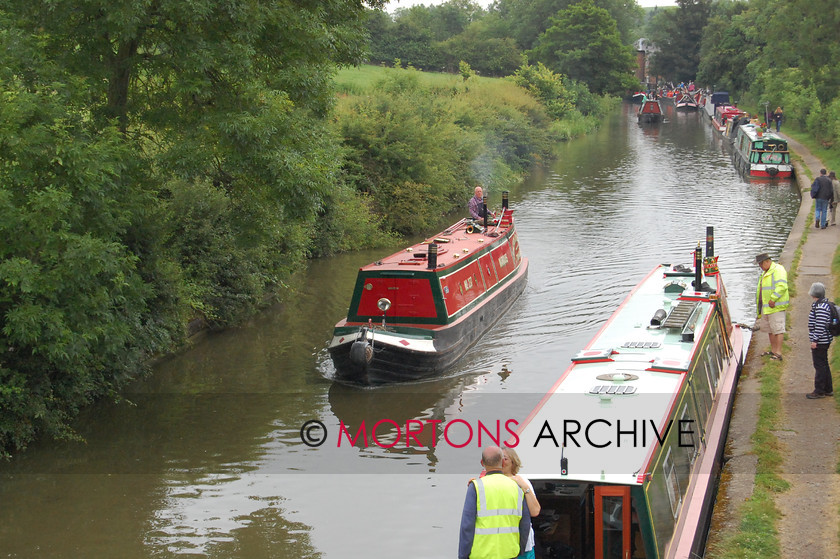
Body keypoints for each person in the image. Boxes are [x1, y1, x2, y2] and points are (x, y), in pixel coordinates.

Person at [459, 446, 530, 559]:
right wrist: (519, 550)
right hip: (509, 554)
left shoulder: (476, 487)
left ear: (482, 463)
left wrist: (463, 555)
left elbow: (467, 526)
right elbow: (525, 524)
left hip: (481, 555)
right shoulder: (516, 487)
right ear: (502, 462)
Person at [502, 448, 539, 559]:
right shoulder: (488, 482)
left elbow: (535, 511)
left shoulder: (522, 481)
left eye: (505, 458)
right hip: (500, 545)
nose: (501, 461)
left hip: (522, 545)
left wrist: (524, 486)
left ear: (513, 461)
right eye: (498, 458)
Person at [755, 253, 789, 360]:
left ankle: (778, 353)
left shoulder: (777, 270)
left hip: (775, 307)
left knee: (778, 329)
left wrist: (773, 298)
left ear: (767, 261)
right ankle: (774, 351)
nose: (760, 267)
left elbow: (782, 286)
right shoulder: (766, 272)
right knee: (770, 330)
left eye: (760, 264)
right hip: (767, 307)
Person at [807, 282, 834, 399]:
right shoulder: (823, 305)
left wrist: (815, 340)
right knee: (824, 364)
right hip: (824, 340)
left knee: (819, 365)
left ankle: (819, 390)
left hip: (821, 341)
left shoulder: (821, 307)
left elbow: (820, 325)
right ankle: (828, 389)